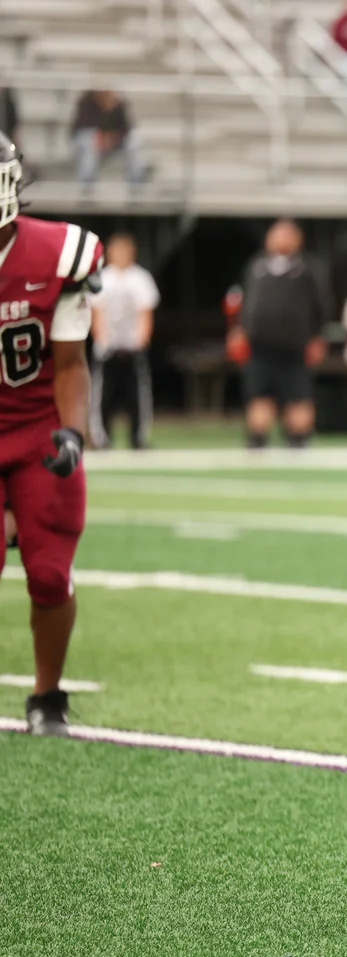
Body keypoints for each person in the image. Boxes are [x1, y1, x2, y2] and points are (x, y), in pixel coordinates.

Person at [0, 131, 102, 736]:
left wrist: (72, 434)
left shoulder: (56, 254)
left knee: (47, 572)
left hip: (37, 428)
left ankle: (47, 697)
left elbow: (70, 364)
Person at [229, 219, 334, 449]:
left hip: (294, 346)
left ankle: (298, 437)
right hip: (260, 345)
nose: (281, 239)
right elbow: (246, 304)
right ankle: (257, 438)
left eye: (287, 235)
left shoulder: (307, 269)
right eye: (277, 234)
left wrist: (318, 337)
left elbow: (322, 306)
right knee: (259, 394)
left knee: (298, 396)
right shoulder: (257, 267)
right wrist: (239, 331)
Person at [87, 233, 159, 450]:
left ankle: (138, 437)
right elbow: (95, 312)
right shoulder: (102, 278)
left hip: (132, 347)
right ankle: (101, 439)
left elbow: (146, 312)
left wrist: (141, 340)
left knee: (137, 395)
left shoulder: (141, 278)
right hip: (107, 349)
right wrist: (101, 339)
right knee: (102, 397)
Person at [71, 91, 147, 191]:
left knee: (135, 142)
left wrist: (113, 137)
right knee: (89, 141)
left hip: (113, 143)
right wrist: (101, 137)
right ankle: (86, 188)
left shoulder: (119, 105)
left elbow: (126, 128)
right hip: (89, 143)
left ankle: (136, 188)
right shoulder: (86, 103)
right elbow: (82, 127)